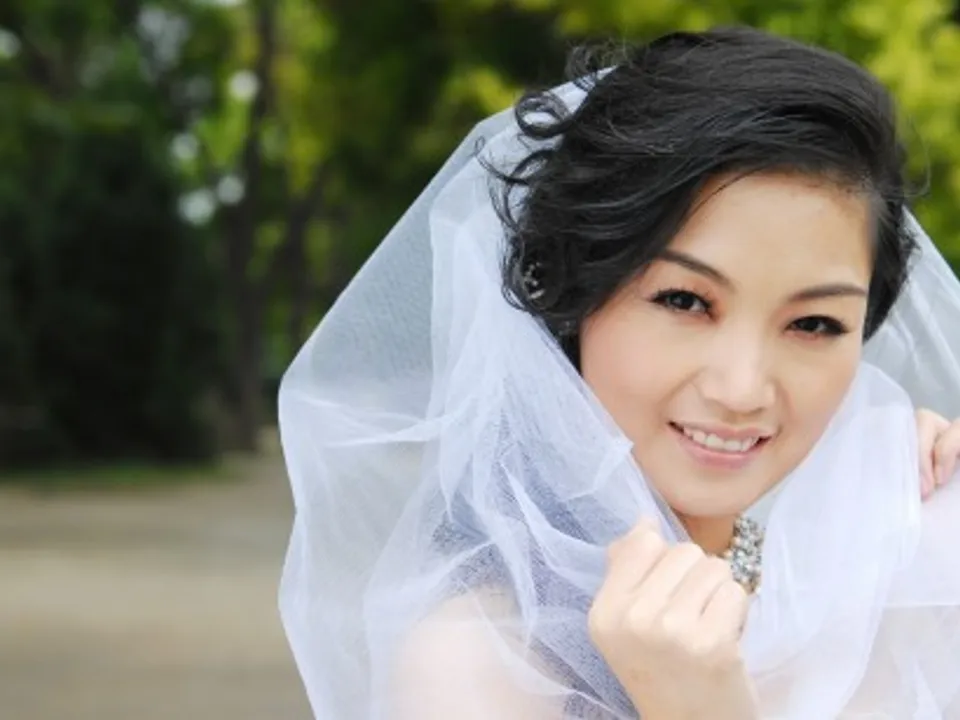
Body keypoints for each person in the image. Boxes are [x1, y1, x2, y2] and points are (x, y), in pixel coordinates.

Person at [278, 26, 960, 719]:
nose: (741, 389)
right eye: (684, 301)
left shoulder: (872, 584)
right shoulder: (478, 664)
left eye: (814, 324)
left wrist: (914, 513)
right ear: (576, 294)